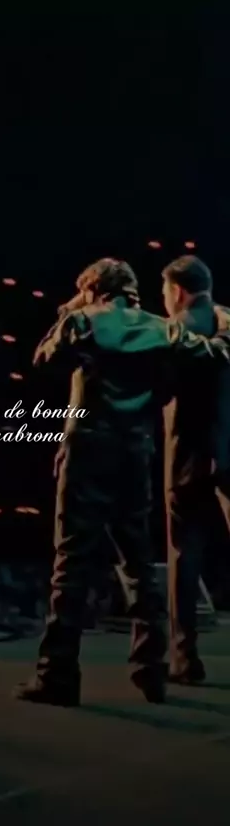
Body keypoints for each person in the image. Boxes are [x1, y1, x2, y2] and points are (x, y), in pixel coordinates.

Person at [14, 258, 229, 708]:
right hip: (135, 453)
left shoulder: (82, 321)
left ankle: (57, 674)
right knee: (139, 564)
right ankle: (151, 670)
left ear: (93, 289)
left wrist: (70, 309)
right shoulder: (163, 329)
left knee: (72, 561)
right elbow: (216, 355)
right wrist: (225, 326)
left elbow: (43, 358)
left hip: (87, 450)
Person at [162, 255, 230, 684]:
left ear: (177, 290)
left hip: (186, 456)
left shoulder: (171, 330)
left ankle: (184, 657)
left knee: (184, 557)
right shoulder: (227, 322)